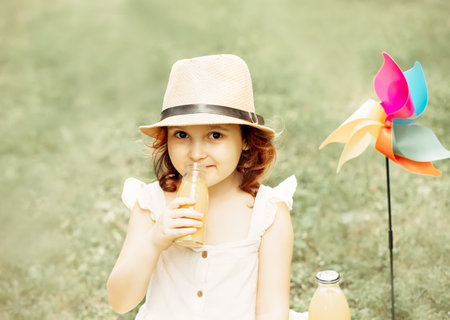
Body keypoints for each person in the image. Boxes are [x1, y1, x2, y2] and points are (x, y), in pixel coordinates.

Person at [107, 54, 307, 320]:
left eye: (215, 135)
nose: (197, 153)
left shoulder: (267, 212)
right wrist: (154, 241)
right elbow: (120, 302)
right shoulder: (152, 204)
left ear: (246, 139)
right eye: (182, 135)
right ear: (166, 139)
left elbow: (272, 310)